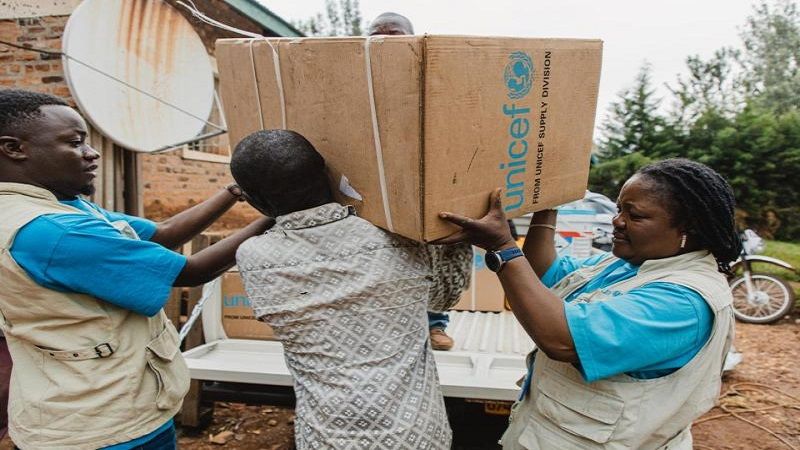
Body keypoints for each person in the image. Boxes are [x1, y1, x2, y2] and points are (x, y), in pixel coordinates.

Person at [0, 89, 273, 449]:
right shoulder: (54, 231)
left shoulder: (59, 208)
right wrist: (281, 212)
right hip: (102, 425)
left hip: (92, 403)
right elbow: (189, 271)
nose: (91, 152)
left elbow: (163, 234)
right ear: (14, 148)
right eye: (75, 142)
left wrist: (234, 191)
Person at [437, 158, 741, 449]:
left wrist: (502, 247)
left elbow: (562, 340)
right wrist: (547, 202)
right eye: (619, 208)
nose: (617, 221)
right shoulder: (628, 265)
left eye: (635, 216)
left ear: (689, 230)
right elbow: (542, 273)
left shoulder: (684, 301)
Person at [231, 129, 471, 449]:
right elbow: (446, 297)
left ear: (254, 201)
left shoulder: (253, 257)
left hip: (328, 437)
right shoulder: (397, 237)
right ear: (326, 170)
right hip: (417, 434)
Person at [368, 11, 464, 351]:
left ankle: (435, 324)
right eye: (378, 37)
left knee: (437, 255)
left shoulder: (433, 78)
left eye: (395, 36)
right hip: (382, 187)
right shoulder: (364, 84)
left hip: (433, 182)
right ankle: (393, 326)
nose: (387, 44)